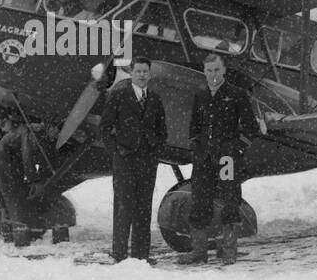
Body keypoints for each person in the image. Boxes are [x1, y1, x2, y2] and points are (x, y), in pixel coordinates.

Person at [182, 52, 260, 265]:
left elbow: (252, 129)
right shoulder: (200, 95)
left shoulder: (236, 94)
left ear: (223, 70)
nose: (213, 75)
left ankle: (229, 252)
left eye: (217, 70)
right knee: (199, 201)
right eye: (209, 70)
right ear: (204, 72)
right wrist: (195, 148)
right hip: (204, 159)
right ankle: (199, 253)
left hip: (227, 159)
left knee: (229, 201)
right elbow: (194, 128)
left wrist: (236, 149)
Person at [100, 56, 167, 262]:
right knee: (123, 207)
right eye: (138, 71)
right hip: (125, 160)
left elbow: (162, 130)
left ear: (150, 74)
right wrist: (116, 151)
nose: (141, 75)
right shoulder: (118, 95)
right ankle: (119, 254)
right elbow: (104, 127)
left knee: (143, 207)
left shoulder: (155, 98)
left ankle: (141, 256)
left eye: (145, 71)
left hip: (147, 161)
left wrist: (155, 152)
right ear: (131, 72)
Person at [0, 115, 48, 245]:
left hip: (5, 159)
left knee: (9, 196)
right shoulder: (29, 131)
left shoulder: (29, 131)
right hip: (4, 159)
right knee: (14, 197)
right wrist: (34, 180)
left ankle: (10, 233)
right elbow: (27, 157)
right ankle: (20, 239)